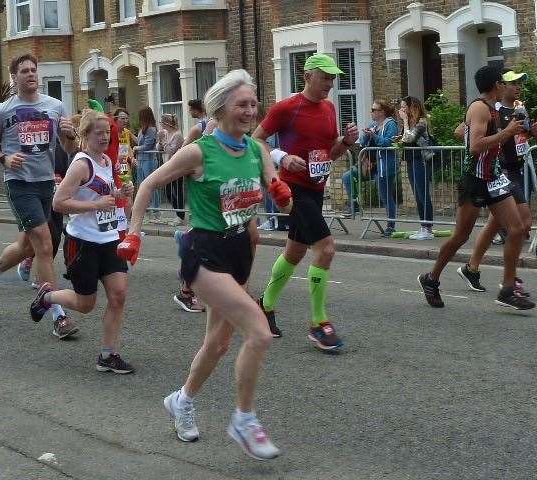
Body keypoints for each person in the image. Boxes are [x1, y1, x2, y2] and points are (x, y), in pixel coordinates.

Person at [117, 69, 292, 459]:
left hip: (239, 254)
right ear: (220, 110)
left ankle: (181, 399)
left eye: (253, 103)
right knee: (260, 332)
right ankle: (244, 420)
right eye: (242, 104)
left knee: (218, 343)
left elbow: (272, 194)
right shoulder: (200, 151)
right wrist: (134, 233)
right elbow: (147, 185)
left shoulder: (253, 149)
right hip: (204, 255)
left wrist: (278, 192)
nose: (250, 110)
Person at [252, 53, 358, 347]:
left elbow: (331, 154)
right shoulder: (287, 107)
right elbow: (256, 139)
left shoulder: (328, 108)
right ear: (308, 75)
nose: (330, 83)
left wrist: (346, 142)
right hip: (292, 190)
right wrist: (282, 157)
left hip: (316, 187)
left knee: (295, 252)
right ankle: (318, 322)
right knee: (326, 248)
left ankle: (265, 306)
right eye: (325, 77)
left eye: (333, 78)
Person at [0, 54, 78, 337]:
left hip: (46, 183)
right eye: (24, 71)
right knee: (44, 245)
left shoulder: (55, 106)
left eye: (34, 69)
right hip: (19, 184)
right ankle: (57, 314)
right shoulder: (2, 110)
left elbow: (69, 149)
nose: (31, 74)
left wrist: (70, 136)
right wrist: (4, 159)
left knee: (27, 247)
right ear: (15, 77)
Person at [417, 65, 535, 310]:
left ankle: (508, 288)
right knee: (461, 236)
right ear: (496, 86)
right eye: (502, 82)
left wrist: (516, 132)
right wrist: (508, 133)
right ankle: (431, 278)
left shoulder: (494, 108)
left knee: (517, 229)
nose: (505, 85)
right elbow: (475, 145)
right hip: (475, 180)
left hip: (494, 177)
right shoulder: (480, 108)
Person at [30, 110, 135, 372]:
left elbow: (102, 195)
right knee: (86, 304)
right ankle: (48, 297)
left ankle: (108, 355)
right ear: (85, 135)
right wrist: (95, 205)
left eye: (107, 133)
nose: (104, 137)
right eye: (98, 133)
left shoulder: (106, 162)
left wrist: (120, 193)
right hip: (83, 242)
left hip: (108, 238)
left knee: (119, 294)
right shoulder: (81, 164)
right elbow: (58, 203)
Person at [457, 70, 537, 294]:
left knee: (498, 223)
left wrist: (530, 133)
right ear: (501, 85)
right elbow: (462, 132)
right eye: (512, 83)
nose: (517, 87)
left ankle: (472, 267)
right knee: (522, 224)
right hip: (501, 172)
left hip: (516, 169)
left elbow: (517, 139)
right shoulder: (489, 108)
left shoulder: (517, 110)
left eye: (519, 84)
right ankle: (511, 280)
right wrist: (493, 141)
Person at [17, 114, 81, 288]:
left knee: (54, 237)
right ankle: (37, 272)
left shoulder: (69, 148)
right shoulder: (38, 146)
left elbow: (72, 169)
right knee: (43, 235)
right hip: (38, 194)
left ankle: (36, 269)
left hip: (57, 196)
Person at [344, 99, 399, 236]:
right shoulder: (373, 124)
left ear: (382, 112)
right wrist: (365, 135)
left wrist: (374, 136)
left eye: (374, 110)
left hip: (384, 165)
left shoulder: (390, 124)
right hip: (368, 165)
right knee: (348, 176)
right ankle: (355, 204)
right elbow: (363, 143)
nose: (371, 112)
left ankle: (391, 226)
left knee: (385, 196)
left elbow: (389, 143)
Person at [398, 96, 434, 240]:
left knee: (422, 193)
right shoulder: (411, 123)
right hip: (411, 159)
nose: (401, 110)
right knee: (417, 194)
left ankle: (428, 228)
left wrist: (405, 121)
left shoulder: (422, 122)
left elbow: (409, 138)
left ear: (412, 107)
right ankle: (423, 226)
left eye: (404, 107)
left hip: (421, 160)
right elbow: (404, 139)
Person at [157, 113, 185, 224]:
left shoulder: (177, 135)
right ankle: (177, 212)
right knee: (168, 191)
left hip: (177, 166)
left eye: (161, 122)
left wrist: (164, 142)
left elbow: (170, 150)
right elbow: (159, 148)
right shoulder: (165, 133)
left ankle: (180, 215)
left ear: (166, 123)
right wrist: (160, 141)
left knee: (177, 191)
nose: (161, 125)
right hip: (167, 165)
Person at [133, 107, 159, 209]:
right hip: (141, 159)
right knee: (142, 185)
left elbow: (148, 145)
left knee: (151, 185)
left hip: (149, 160)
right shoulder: (143, 129)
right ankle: (146, 207)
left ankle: (155, 210)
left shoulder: (151, 129)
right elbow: (140, 142)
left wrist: (137, 148)